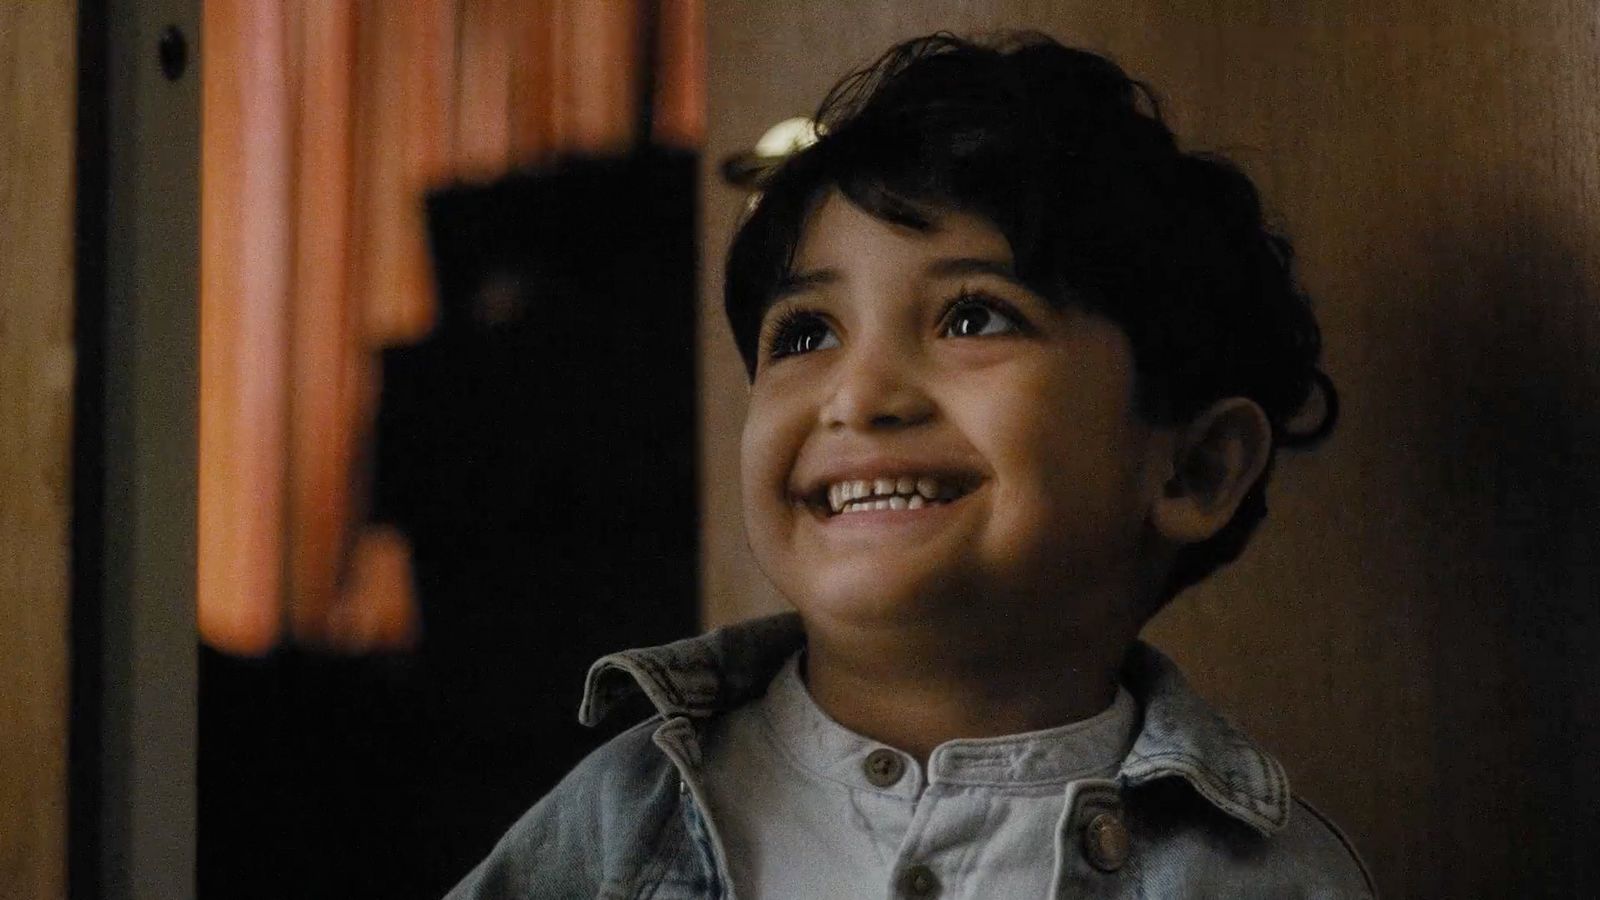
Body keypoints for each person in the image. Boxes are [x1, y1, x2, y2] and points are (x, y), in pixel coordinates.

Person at [446, 31, 1373, 899]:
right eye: (807, 333)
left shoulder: (1263, 875)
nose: (858, 396)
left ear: (1196, 470)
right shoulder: (624, 820)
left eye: (973, 317)